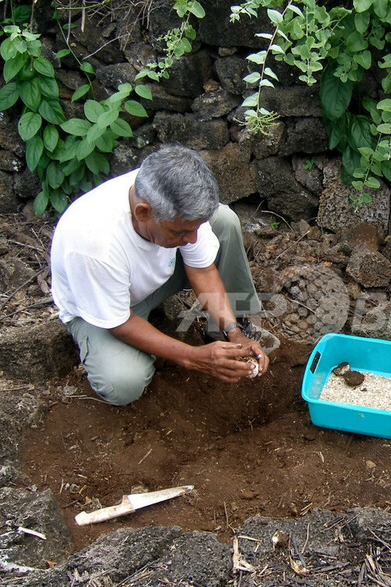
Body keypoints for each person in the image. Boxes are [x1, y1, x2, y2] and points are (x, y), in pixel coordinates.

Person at [51, 144, 272, 406]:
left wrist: (234, 332)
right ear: (142, 212)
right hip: (105, 308)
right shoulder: (93, 244)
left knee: (223, 220)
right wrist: (194, 357)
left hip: (151, 280)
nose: (192, 239)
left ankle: (225, 333)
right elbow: (120, 324)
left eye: (194, 229)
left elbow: (202, 269)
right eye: (181, 232)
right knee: (123, 383)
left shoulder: (168, 196)